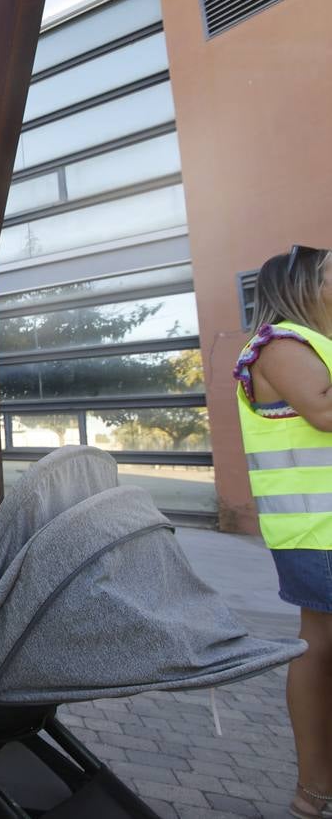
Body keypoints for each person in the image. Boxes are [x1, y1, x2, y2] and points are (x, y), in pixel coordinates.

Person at [232, 244, 332, 819]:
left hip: (319, 532)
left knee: (319, 648)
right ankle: (313, 790)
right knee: (319, 650)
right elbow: (325, 413)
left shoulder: (313, 344)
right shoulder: (281, 344)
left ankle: (313, 794)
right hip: (320, 532)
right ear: (305, 286)